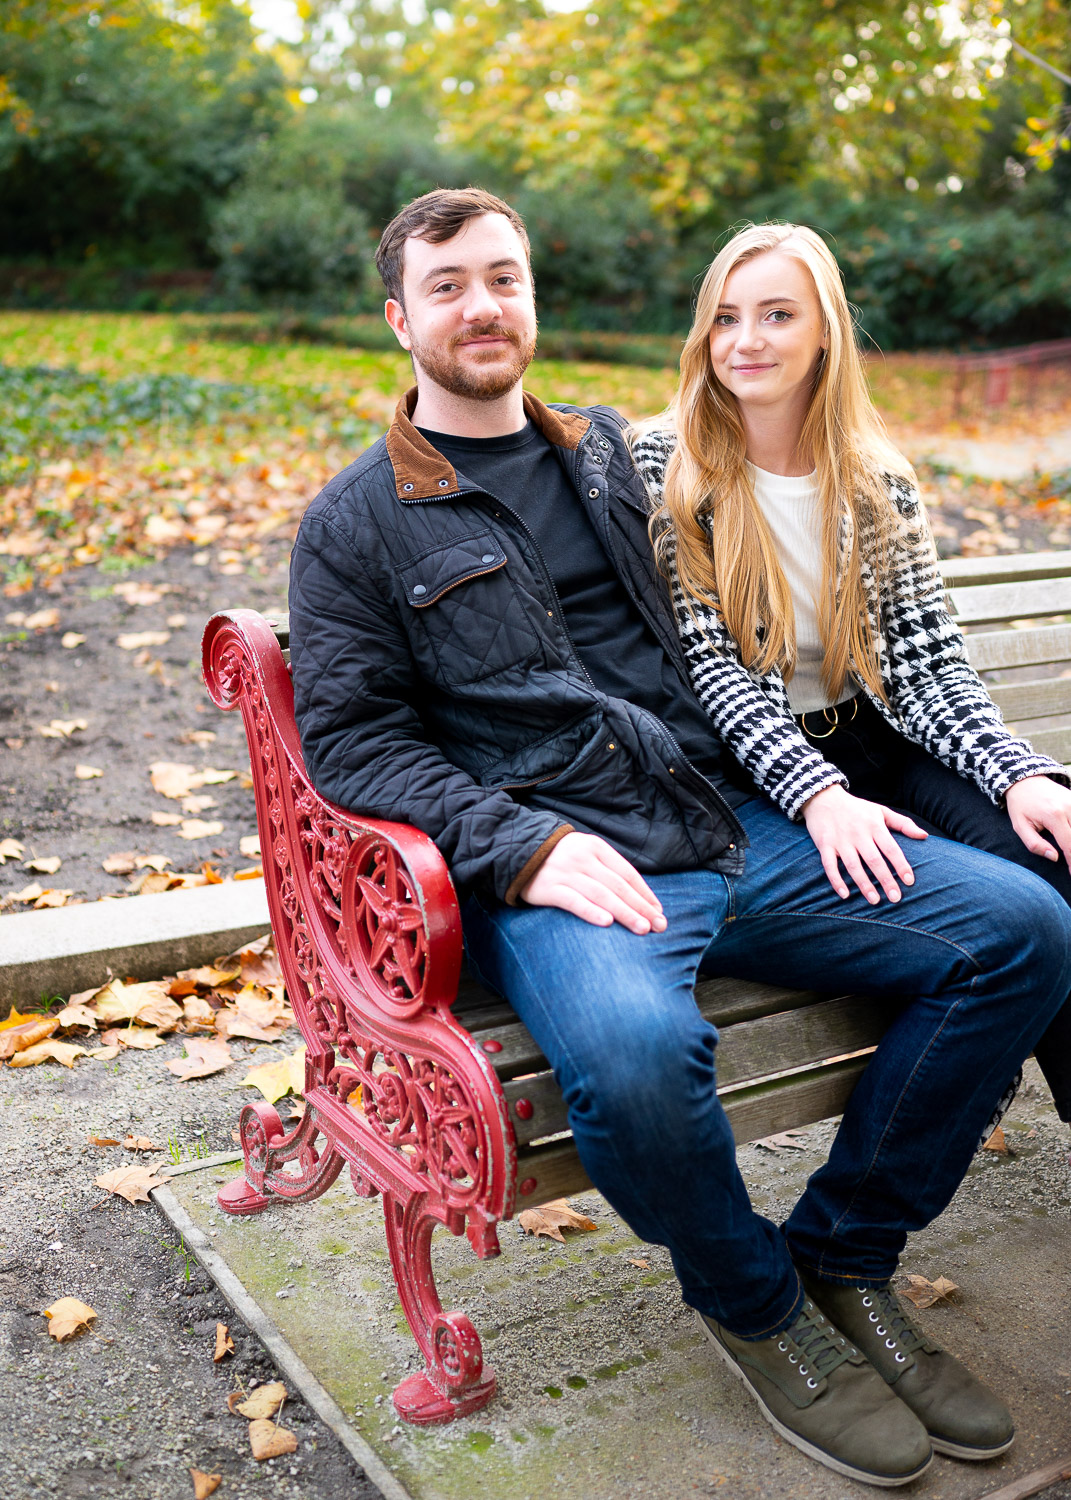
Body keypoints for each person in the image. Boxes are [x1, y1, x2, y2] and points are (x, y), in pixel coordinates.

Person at [287, 188, 1071, 1488]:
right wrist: (520, 848)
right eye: (446, 287)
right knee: (641, 1061)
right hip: (558, 870)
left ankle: (845, 1254)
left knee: (1023, 929)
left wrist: (873, 781)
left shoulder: (611, 456)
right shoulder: (355, 523)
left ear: (530, 295)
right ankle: (756, 1306)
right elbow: (356, 747)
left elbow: (756, 575)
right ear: (396, 318)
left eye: (502, 278)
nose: (481, 306)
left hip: (726, 825)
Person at [630, 220, 1071, 1139]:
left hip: (873, 737)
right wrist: (816, 795)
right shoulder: (663, 467)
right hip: (752, 772)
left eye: (776, 315)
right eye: (725, 318)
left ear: (824, 329)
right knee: (1022, 919)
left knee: (1055, 851)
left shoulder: (876, 482)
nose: (745, 341)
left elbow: (927, 661)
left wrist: (1015, 771)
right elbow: (708, 664)